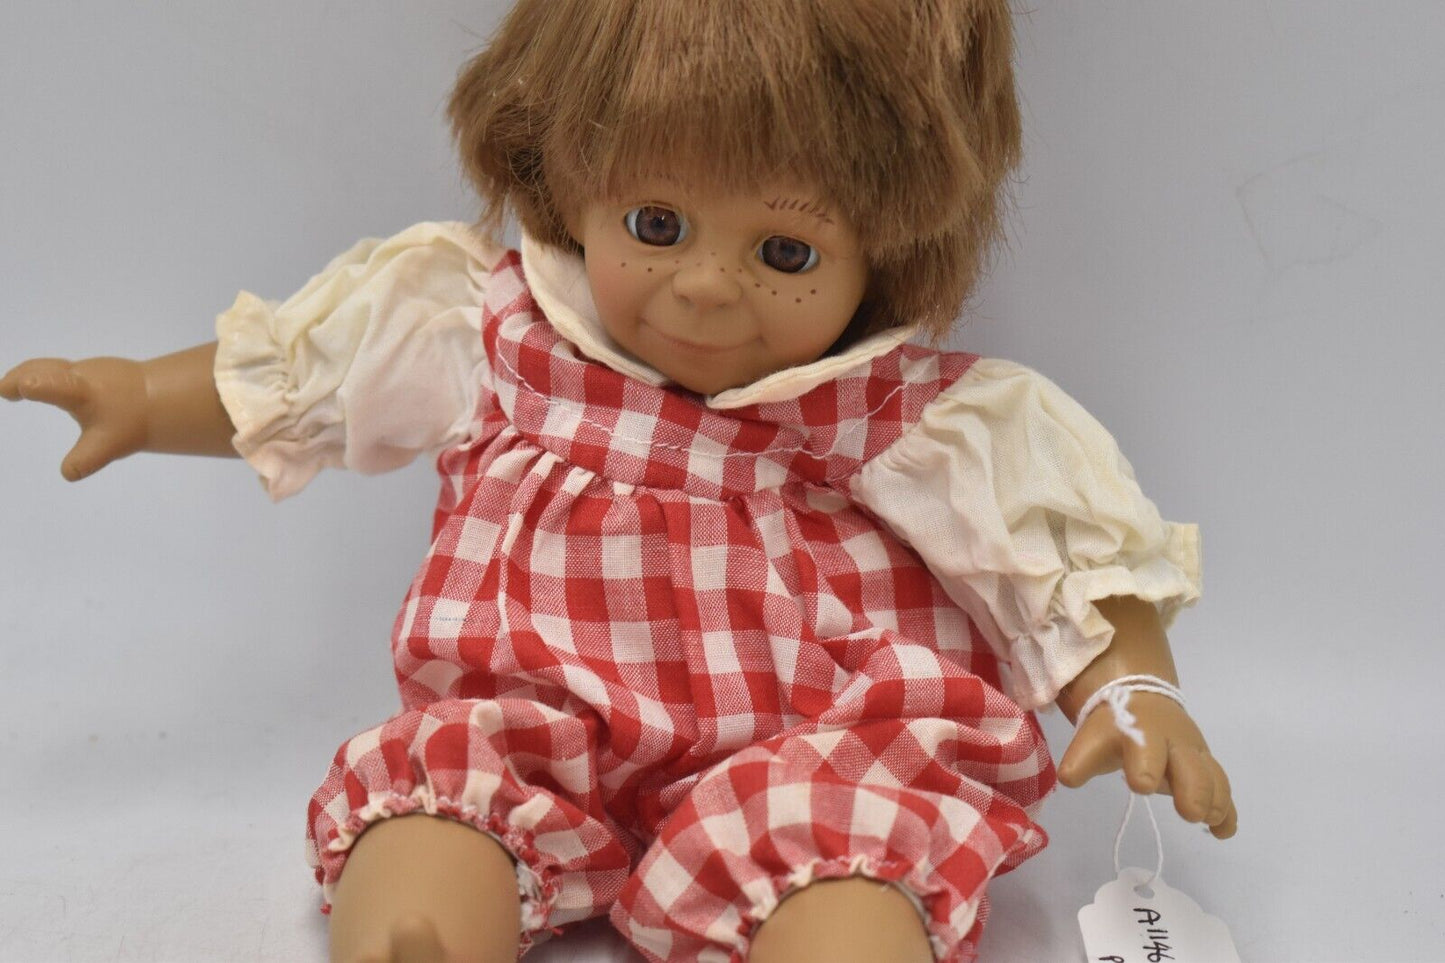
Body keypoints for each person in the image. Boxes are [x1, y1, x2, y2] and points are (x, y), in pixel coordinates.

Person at [0, 2, 1235, 961]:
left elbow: (1051, 552)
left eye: (784, 250)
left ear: (888, 242)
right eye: (655, 224)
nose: (703, 286)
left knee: (848, 880)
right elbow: (314, 376)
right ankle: (422, 937)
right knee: (435, 816)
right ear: (569, 174)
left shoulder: (897, 412)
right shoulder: (490, 329)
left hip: (809, 743)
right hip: (536, 724)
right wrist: (142, 397)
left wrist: (1131, 686)